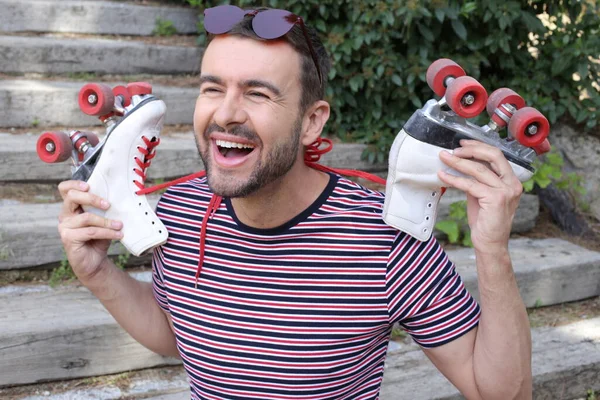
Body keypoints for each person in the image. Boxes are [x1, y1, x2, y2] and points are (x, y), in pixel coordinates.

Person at [57, 5, 532, 399]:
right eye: (212, 89)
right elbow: (174, 334)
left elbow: (497, 391)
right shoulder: (177, 210)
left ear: (311, 122)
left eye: (257, 93)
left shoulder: (386, 240)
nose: (226, 113)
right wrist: (99, 275)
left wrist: (492, 249)